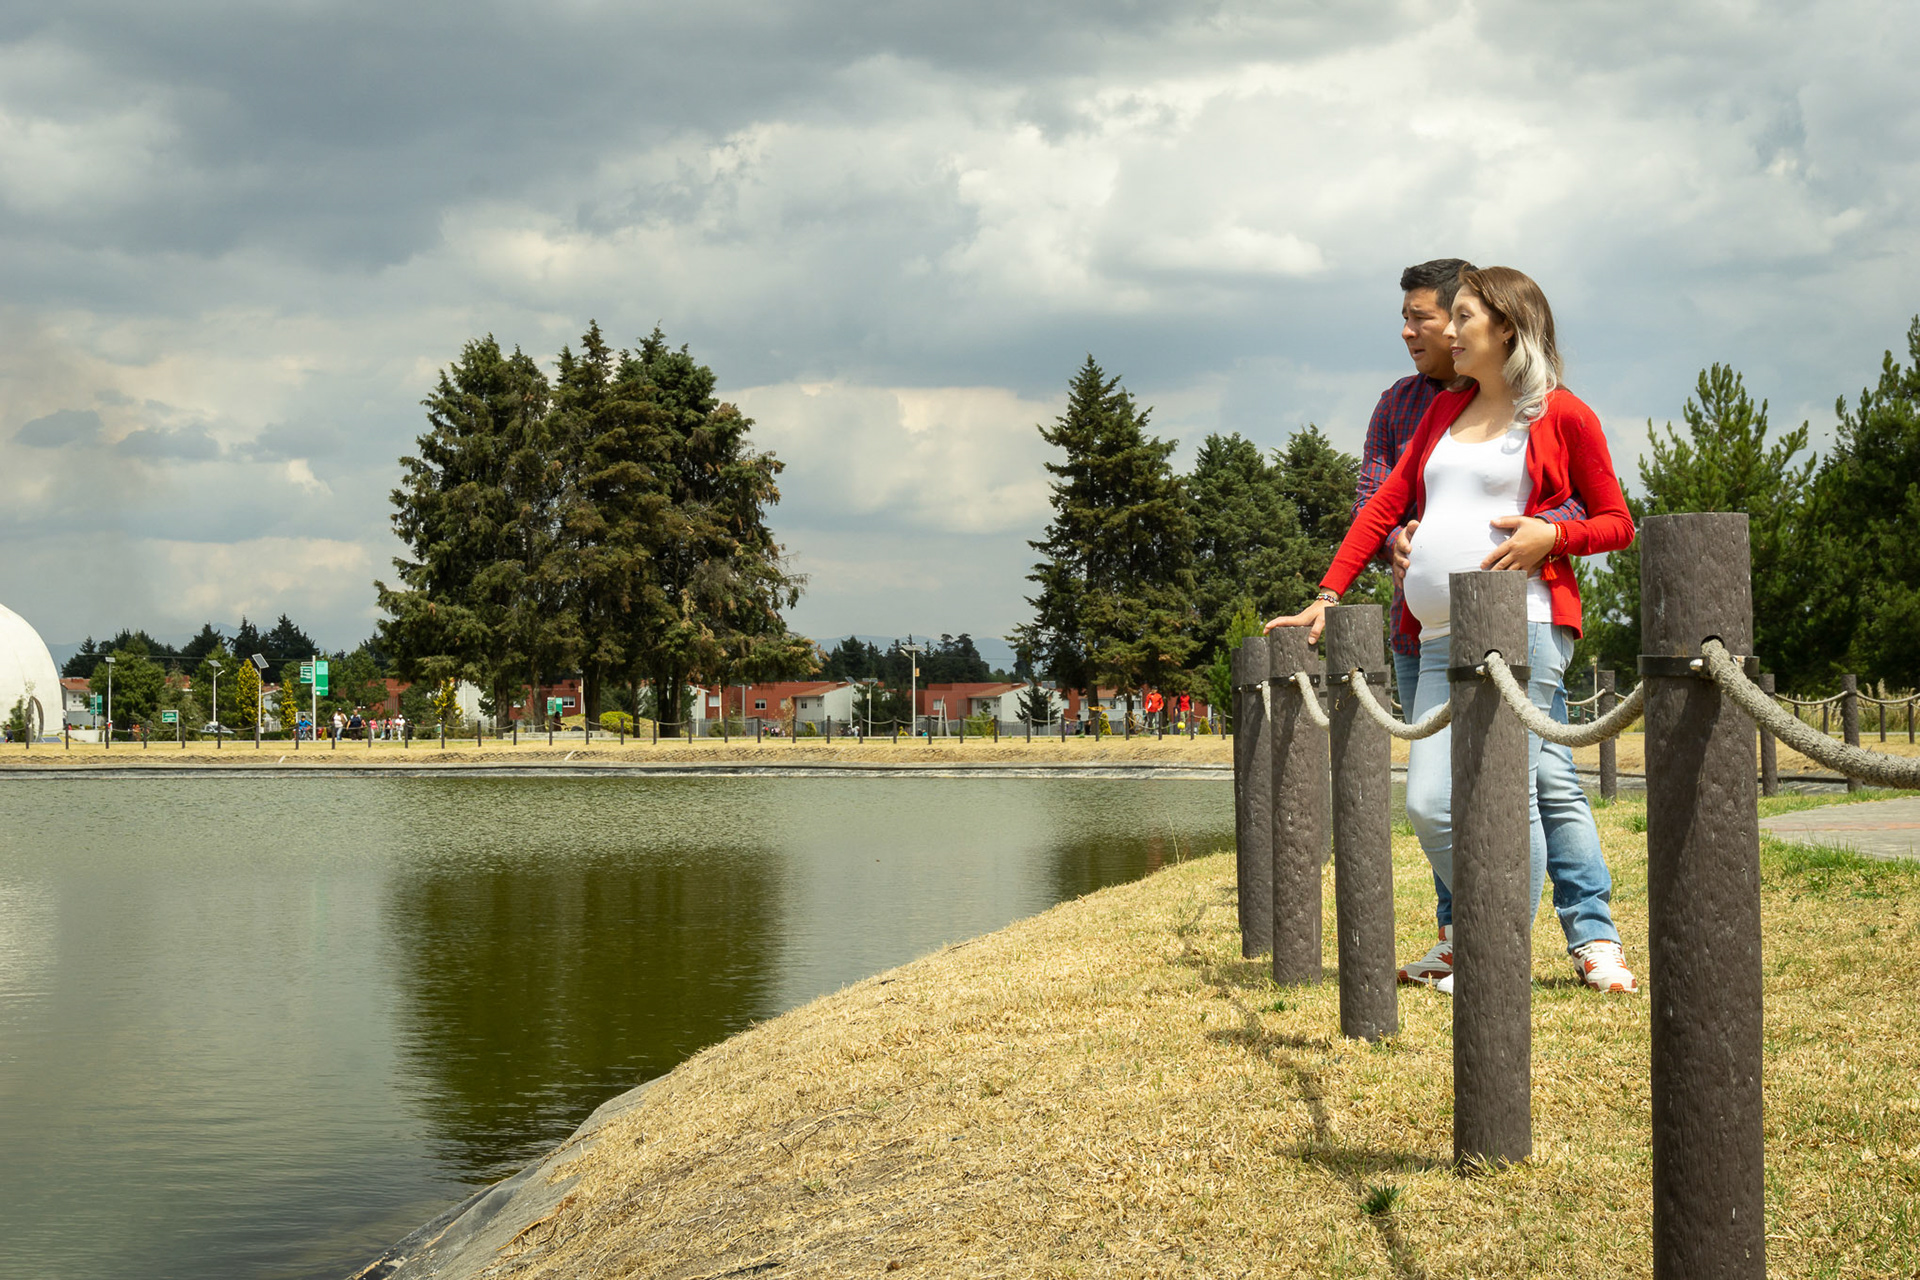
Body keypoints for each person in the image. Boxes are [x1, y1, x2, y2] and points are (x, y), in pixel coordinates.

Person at [1268, 265, 1638, 995]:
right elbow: (1383, 505)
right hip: (1436, 637)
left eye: (1461, 317)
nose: (1446, 331)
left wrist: (1548, 539)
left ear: (1505, 327)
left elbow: (1617, 523)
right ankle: (1478, 931)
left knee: (1519, 797)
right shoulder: (1441, 413)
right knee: (1431, 803)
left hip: (1522, 627)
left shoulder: (1563, 414)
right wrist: (1329, 593)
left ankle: (1496, 953)